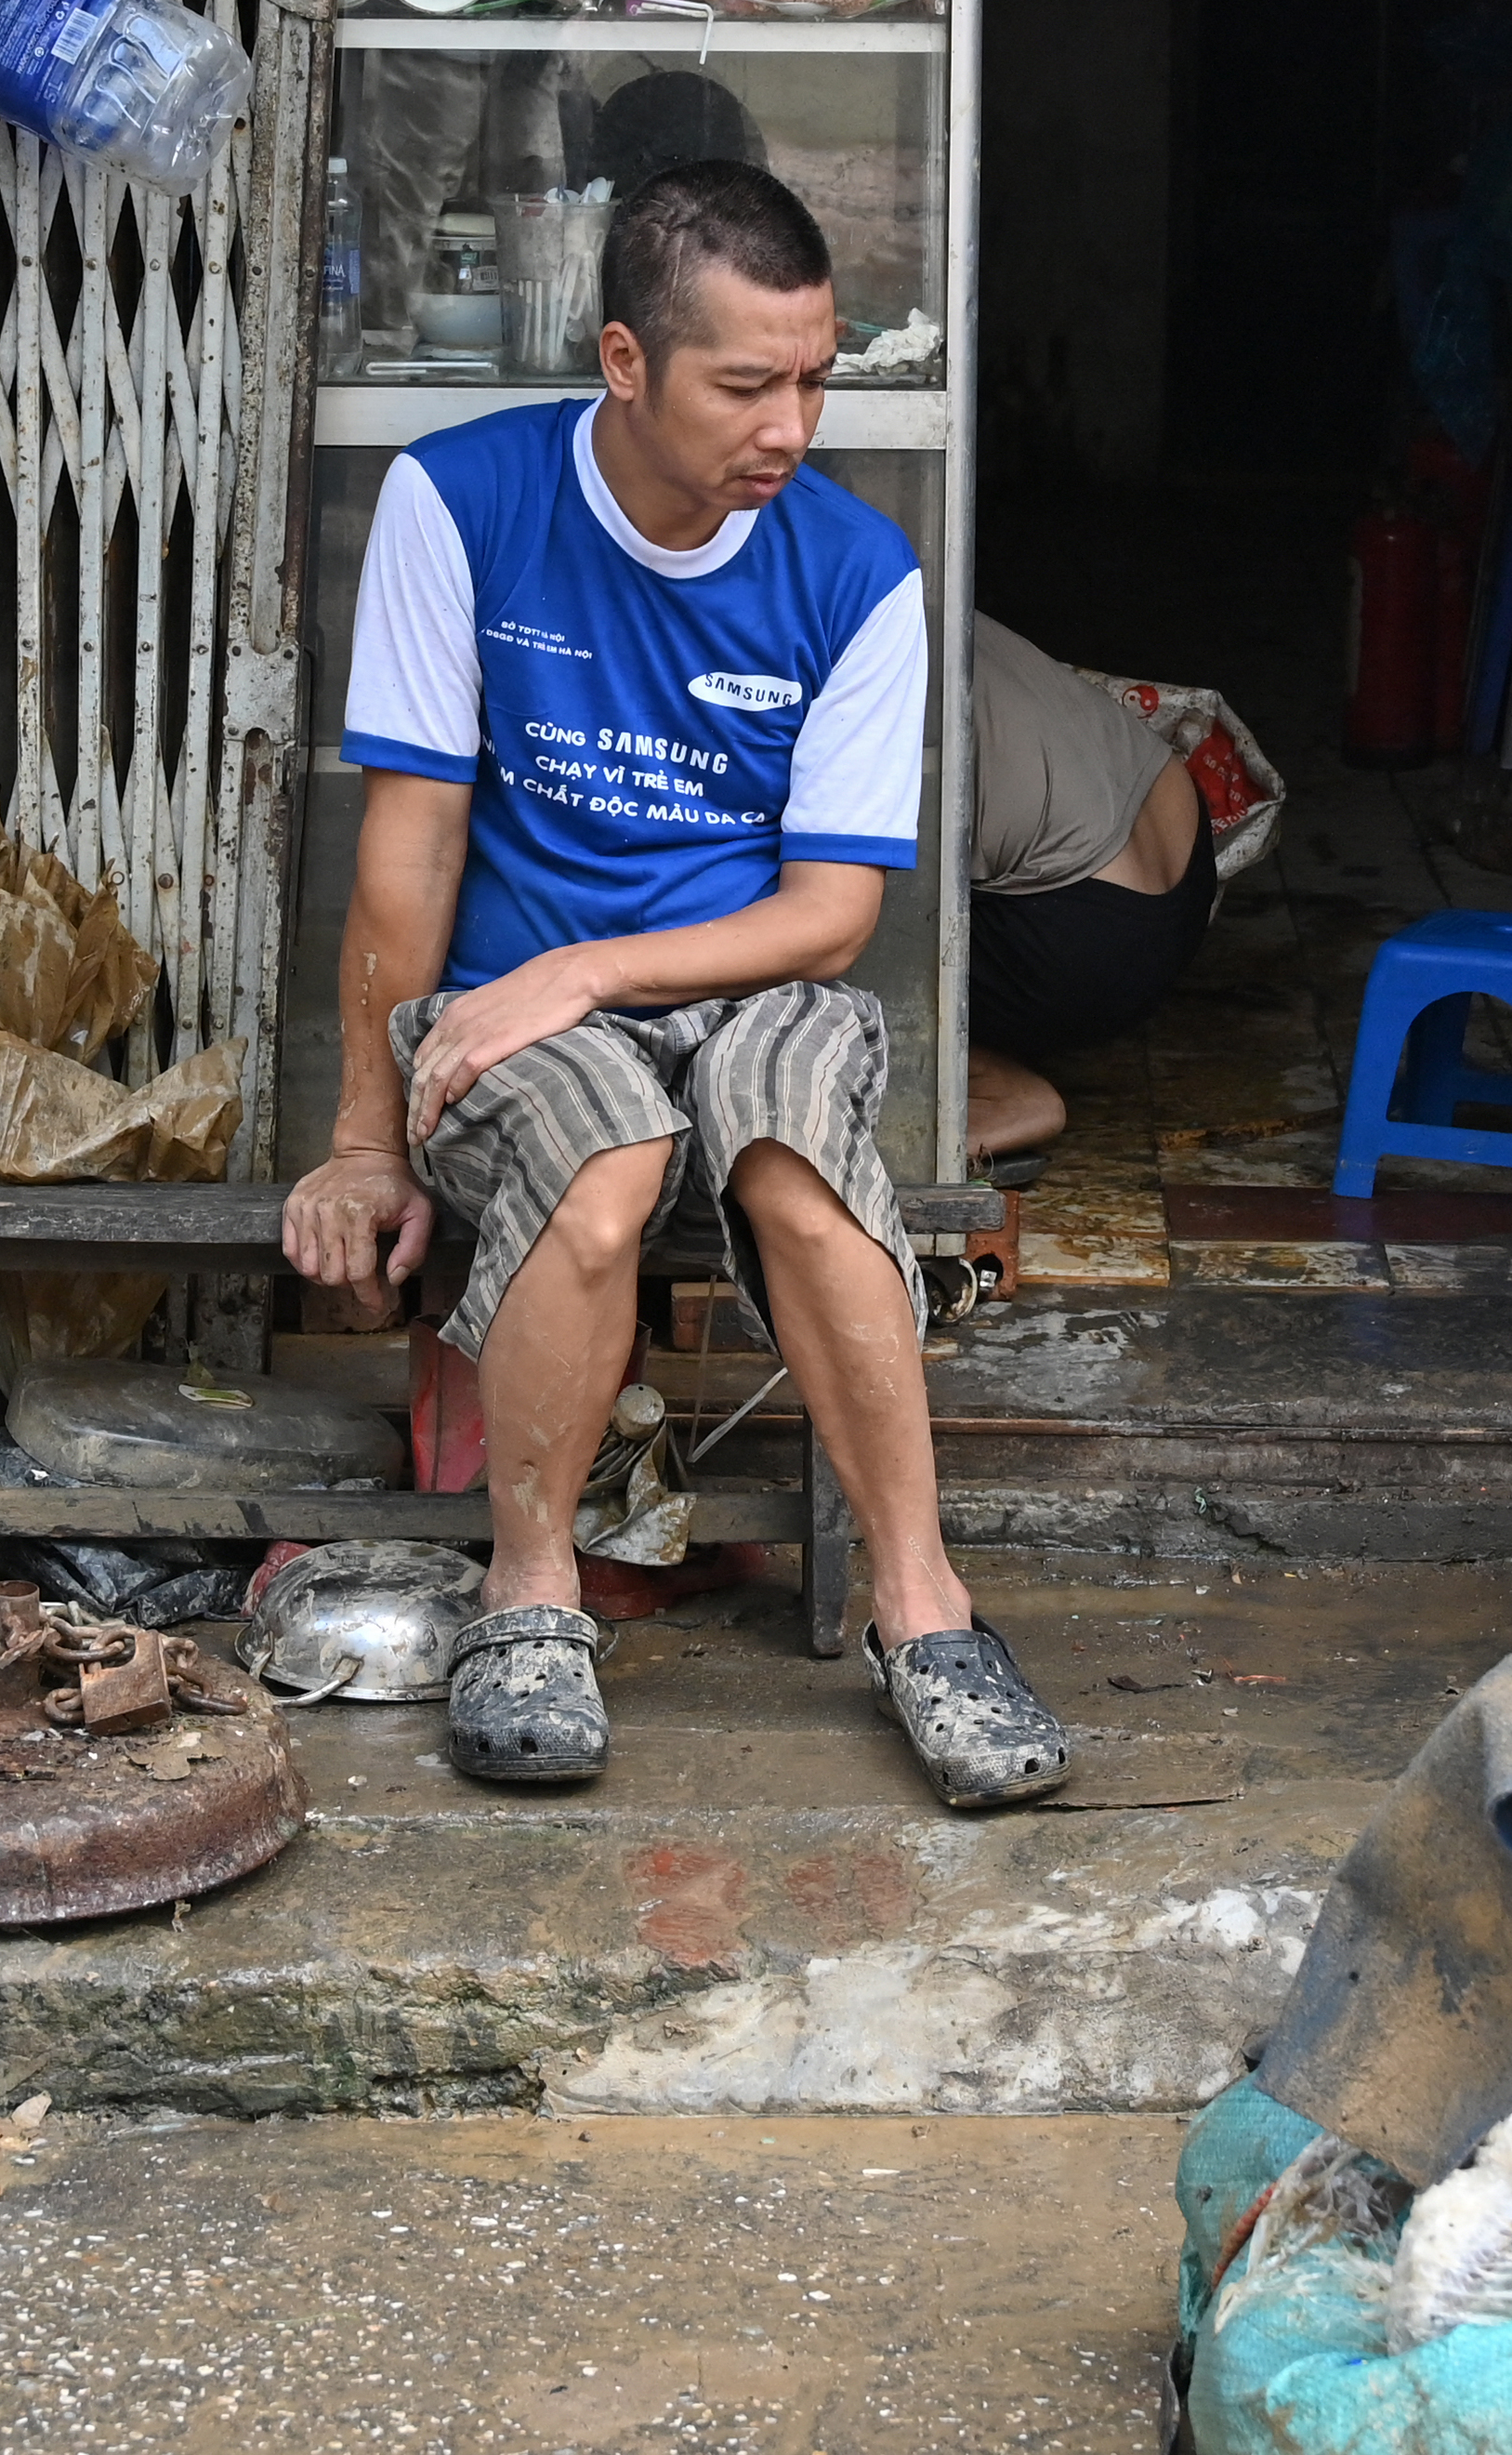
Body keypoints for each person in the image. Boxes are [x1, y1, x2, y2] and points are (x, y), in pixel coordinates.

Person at [279, 160, 1071, 1810]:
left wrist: (592, 964)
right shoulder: (462, 498)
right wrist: (366, 1134)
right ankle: (532, 1593)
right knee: (604, 1164)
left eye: (816, 376)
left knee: (794, 1159)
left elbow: (832, 914)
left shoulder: (857, 569)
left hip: (738, 977)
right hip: (511, 1009)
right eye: (747, 382)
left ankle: (921, 1609)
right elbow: (407, 852)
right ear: (625, 361)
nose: (791, 422)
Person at [964, 619, 1214, 1159]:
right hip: (1184, 858)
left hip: (1076, 943)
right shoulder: (912, 570)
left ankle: (999, 1087)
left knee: (798, 923)